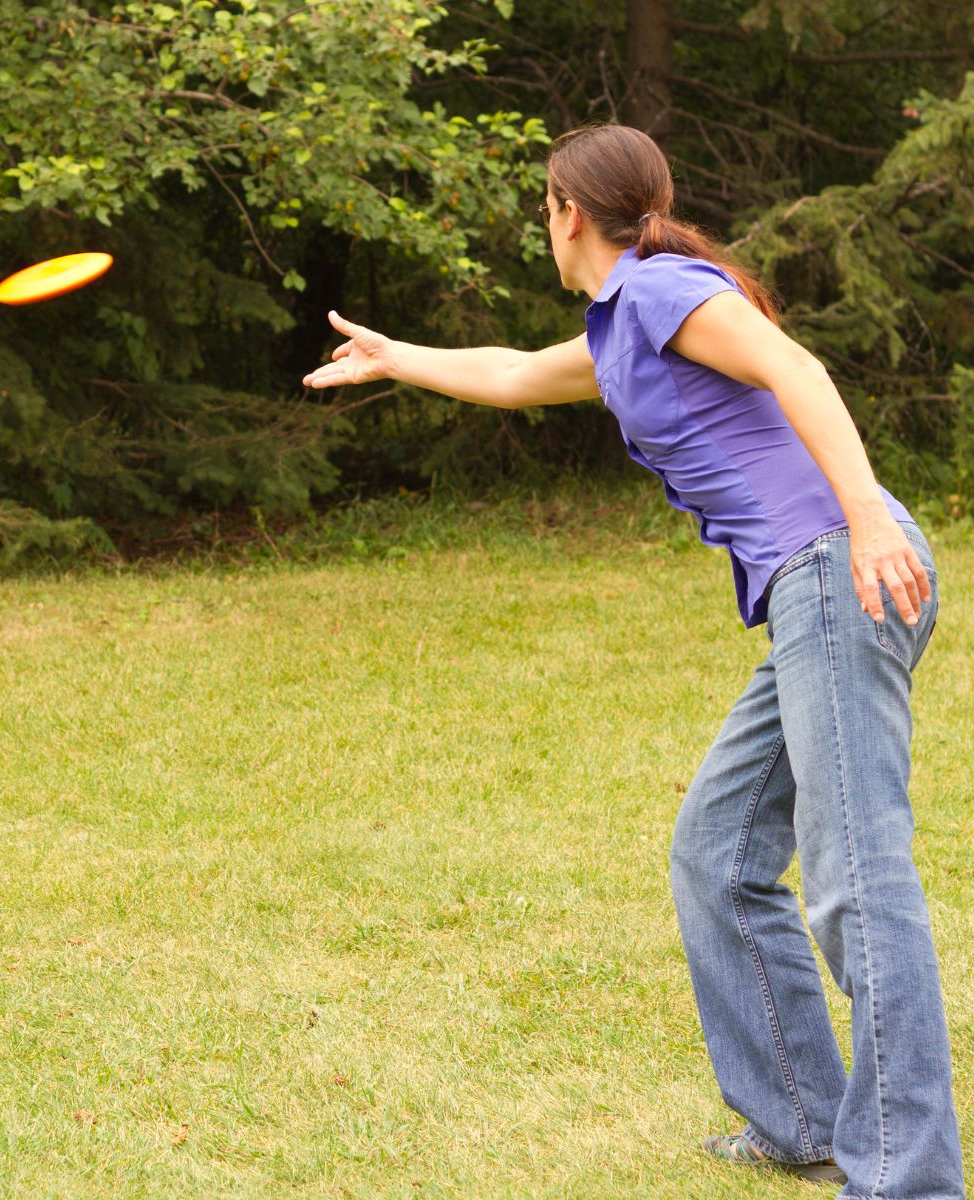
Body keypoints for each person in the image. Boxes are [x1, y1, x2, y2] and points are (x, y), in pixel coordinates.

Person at [303, 123, 964, 1199]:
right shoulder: (621, 328)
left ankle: (909, 1176)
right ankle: (795, 1119)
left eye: (540, 205)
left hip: (840, 569)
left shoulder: (662, 291)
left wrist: (869, 521)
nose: (541, 222)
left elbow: (792, 365)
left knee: (854, 880)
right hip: (816, 584)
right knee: (718, 848)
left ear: (568, 210)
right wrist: (394, 358)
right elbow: (516, 373)